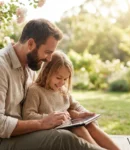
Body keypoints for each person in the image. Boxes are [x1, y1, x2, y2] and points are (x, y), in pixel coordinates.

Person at [0, 18, 107, 150]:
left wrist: (79, 114)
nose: (49, 59)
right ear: (31, 44)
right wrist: (42, 123)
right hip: (5, 141)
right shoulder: (2, 67)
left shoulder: (30, 66)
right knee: (62, 138)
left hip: (25, 134)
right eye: (47, 52)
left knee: (83, 127)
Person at [23, 51, 120, 150]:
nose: (62, 82)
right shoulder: (35, 90)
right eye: (58, 78)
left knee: (90, 126)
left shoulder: (62, 90)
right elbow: (27, 115)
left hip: (66, 124)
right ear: (46, 72)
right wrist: (50, 118)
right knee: (79, 129)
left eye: (65, 79)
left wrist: (84, 113)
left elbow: (75, 105)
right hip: (49, 129)